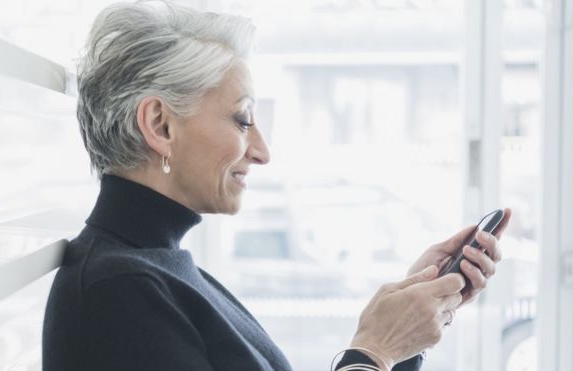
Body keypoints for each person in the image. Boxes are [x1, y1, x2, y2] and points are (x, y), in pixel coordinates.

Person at [42, 1, 511, 370]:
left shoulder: (155, 268)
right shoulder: (121, 292)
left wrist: (399, 342)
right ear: (160, 125)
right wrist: (373, 352)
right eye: (243, 119)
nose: (262, 151)